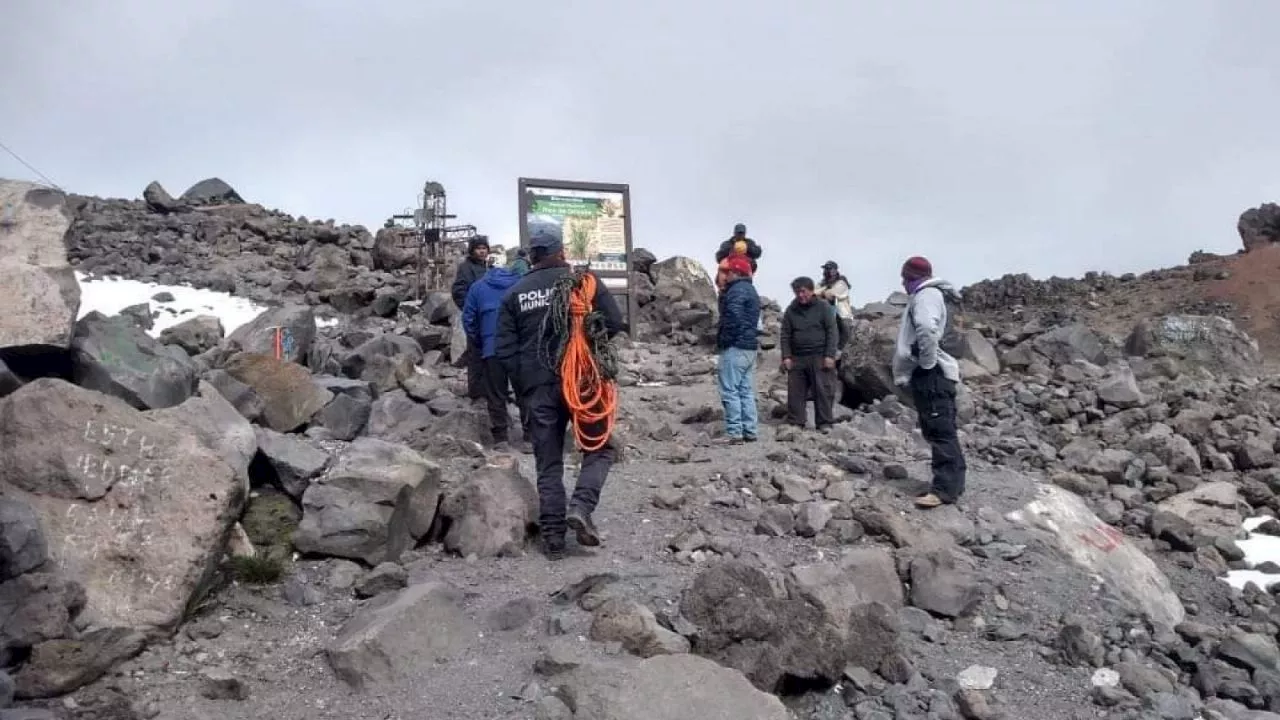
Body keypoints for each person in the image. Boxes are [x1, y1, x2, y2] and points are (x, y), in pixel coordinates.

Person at [495, 232, 624, 560]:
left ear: (532, 257)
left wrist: (525, 386)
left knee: (548, 460)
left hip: (538, 387)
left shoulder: (514, 293)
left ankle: (554, 539)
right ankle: (580, 506)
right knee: (601, 448)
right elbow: (614, 321)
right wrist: (589, 347)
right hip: (582, 380)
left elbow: (505, 351)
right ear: (561, 252)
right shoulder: (584, 281)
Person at [891, 255, 966, 509]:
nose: (903, 283)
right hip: (939, 373)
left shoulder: (926, 296)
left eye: (905, 278)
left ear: (911, 277)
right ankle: (953, 483)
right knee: (941, 428)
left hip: (932, 374)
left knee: (939, 430)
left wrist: (926, 362)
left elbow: (925, 327)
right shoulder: (936, 295)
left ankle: (944, 490)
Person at [462, 261, 532, 451]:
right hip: (518, 348)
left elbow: (468, 318)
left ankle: (501, 439)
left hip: (492, 348)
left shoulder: (477, 287)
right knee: (524, 391)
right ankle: (529, 438)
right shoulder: (521, 284)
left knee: (495, 393)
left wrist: (480, 341)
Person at [781, 276, 838, 431]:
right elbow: (785, 334)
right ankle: (796, 422)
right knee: (795, 392)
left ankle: (824, 422)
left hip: (819, 355)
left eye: (803, 291)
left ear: (812, 291)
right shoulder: (791, 310)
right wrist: (786, 356)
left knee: (823, 390)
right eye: (797, 292)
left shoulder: (823, 307)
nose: (800, 295)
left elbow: (832, 331)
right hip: (797, 357)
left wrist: (830, 355)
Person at [716, 254, 761, 443]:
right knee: (745, 390)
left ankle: (735, 432)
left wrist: (725, 338)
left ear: (736, 272)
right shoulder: (751, 290)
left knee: (730, 389)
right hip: (750, 346)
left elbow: (733, 316)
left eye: (729, 272)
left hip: (735, 346)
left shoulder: (735, 291)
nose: (726, 276)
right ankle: (750, 430)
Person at [452, 236, 491, 400]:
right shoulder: (466, 268)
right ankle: (476, 393)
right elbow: (459, 292)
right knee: (475, 356)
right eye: (478, 248)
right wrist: (471, 311)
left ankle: (490, 391)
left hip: (490, 319)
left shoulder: (489, 267)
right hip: (476, 319)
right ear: (472, 250)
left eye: (484, 248)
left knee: (490, 356)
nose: (482, 251)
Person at [817, 260, 854, 350]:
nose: (825, 271)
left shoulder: (842, 281)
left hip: (842, 313)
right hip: (825, 312)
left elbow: (832, 294)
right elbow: (814, 293)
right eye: (825, 269)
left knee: (845, 328)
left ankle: (841, 350)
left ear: (834, 270)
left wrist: (822, 292)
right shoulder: (822, 282)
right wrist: (822, 292)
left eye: (828, 269)